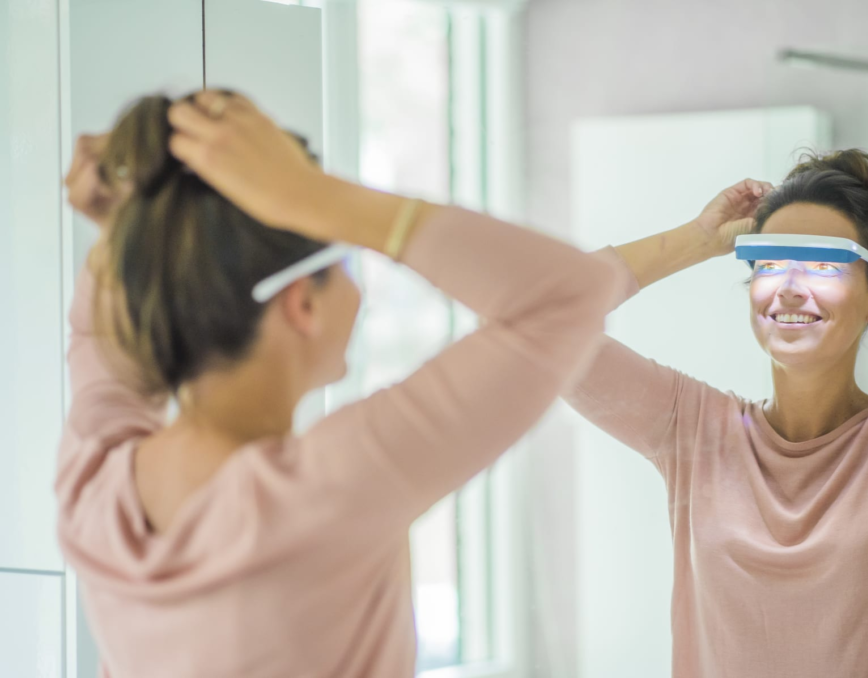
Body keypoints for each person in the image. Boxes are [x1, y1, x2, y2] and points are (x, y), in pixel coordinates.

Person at [57, 90, 626, 678]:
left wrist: (131, 228)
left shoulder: (94, 483)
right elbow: (569, 294)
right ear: (301, 302)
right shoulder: (333, 486)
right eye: (348, 262)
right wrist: (308, 196)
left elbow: (95, 336)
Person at [565, 149, 868, 677]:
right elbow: (534, 312)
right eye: (770, 263)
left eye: (824, 265)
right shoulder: (693, 428)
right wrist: (698, 238)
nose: (791, 287)